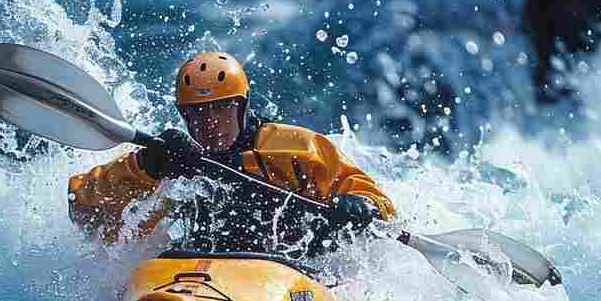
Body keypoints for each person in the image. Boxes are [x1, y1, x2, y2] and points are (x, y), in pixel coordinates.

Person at [67, 51, 395, 257]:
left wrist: (361, 205)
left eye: (222, 108)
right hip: (198, 275)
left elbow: (379, 203)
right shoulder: (171, 160)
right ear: (184, 116)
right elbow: (81, 208)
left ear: (242, 107)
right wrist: (146, 167)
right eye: (198, 113)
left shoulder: (294, 149)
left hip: (294, 271)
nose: (210, 123)